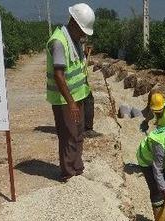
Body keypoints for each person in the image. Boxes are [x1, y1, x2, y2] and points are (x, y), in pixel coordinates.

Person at [46, 3, 99, 182]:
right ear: (74, 23)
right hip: (65, 99)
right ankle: (68, 173)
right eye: (82, 30)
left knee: (78, 133)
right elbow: (59, 75)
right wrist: (71, 103)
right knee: (68, 135)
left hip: (79, 95)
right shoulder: (59, 42)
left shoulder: (74, 39)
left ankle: (77, 167)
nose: (84, 34)